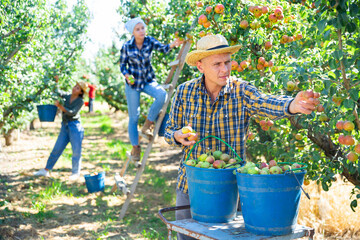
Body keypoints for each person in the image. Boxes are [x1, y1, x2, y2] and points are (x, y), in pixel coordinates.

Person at [164, 34, 319, 240]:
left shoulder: (241, 91)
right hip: (191, 187)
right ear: (200, 66)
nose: (225, 69)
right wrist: (176, 135)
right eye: (217, 64)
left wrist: (292, 105)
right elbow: (169, 131)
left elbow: (266, 102)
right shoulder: (184, 92)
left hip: (231, 190)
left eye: (227, 62)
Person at [120, 17, 183, 161]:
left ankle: (148, 123)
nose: (141, 31)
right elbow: (123, 65)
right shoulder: (126, 47)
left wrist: (173, 44)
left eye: (142, 27)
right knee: (133, 117)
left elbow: (163, 48)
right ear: (132, 32)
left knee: (162, 95)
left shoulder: (149, 41)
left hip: (148, 80)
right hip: (133, 84)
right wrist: (126, 75)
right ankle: (136, 148)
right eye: (138, 29)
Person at [34, 81, 88, 181]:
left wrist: (60, 107)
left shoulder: (80, 101)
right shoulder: (67, 96)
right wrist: (56, 81)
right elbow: (57, 91)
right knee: (57, 148)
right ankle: (46, 170)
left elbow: (72, 113)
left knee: (76, 151)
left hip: (75, 127)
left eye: (77, 88)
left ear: (81, 92)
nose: (74, 88)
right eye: (75, 86)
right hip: (65, 125)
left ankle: (75, 173)